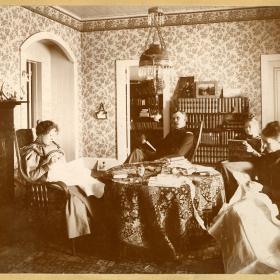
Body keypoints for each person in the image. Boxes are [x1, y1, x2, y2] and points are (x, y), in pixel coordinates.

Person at [208, 121, 280, 273]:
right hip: (263, 196)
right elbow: (261, 163)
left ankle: (247, 258)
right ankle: (237, 253)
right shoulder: (271, 155)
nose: (264, 147)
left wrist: (263, 188)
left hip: (275, 204)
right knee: (234, 210)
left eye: (267, 143)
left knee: (239, 211)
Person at [21, 120, 105, 238]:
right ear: (40, 134)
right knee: (84, 181)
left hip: (61, 174)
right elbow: (31, 176)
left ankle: (100, 222)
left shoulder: (52, 145)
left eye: (54, 135)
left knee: (87, 177)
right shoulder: (33, 150)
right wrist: (48, 165)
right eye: (50, 135)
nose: (53, 138)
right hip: (50, 183)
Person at [220, 115, 264, 201]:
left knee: (225, 166)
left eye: (250, 127)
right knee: (221, 163)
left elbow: (263, 157)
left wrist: (252, 151)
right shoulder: (240, 138)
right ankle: (225, 192)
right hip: (240, 161)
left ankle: (230, 193)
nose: (247, 129)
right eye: (245, 127)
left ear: (256, 127)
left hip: (252, 164)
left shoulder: (260, 140)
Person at [125, 110, 194, 163]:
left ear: (185, 120)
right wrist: (146, 143)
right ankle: (122, 172)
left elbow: (179, 154)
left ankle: (123, 173)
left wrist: (161, 159)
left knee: (137, 154)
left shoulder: (188, 135)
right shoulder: (172, 133)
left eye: (177, 118)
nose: (174, 120)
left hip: (171, 162)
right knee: (138, 151)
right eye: (173, 118)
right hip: (160, 158)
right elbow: (161, 146)